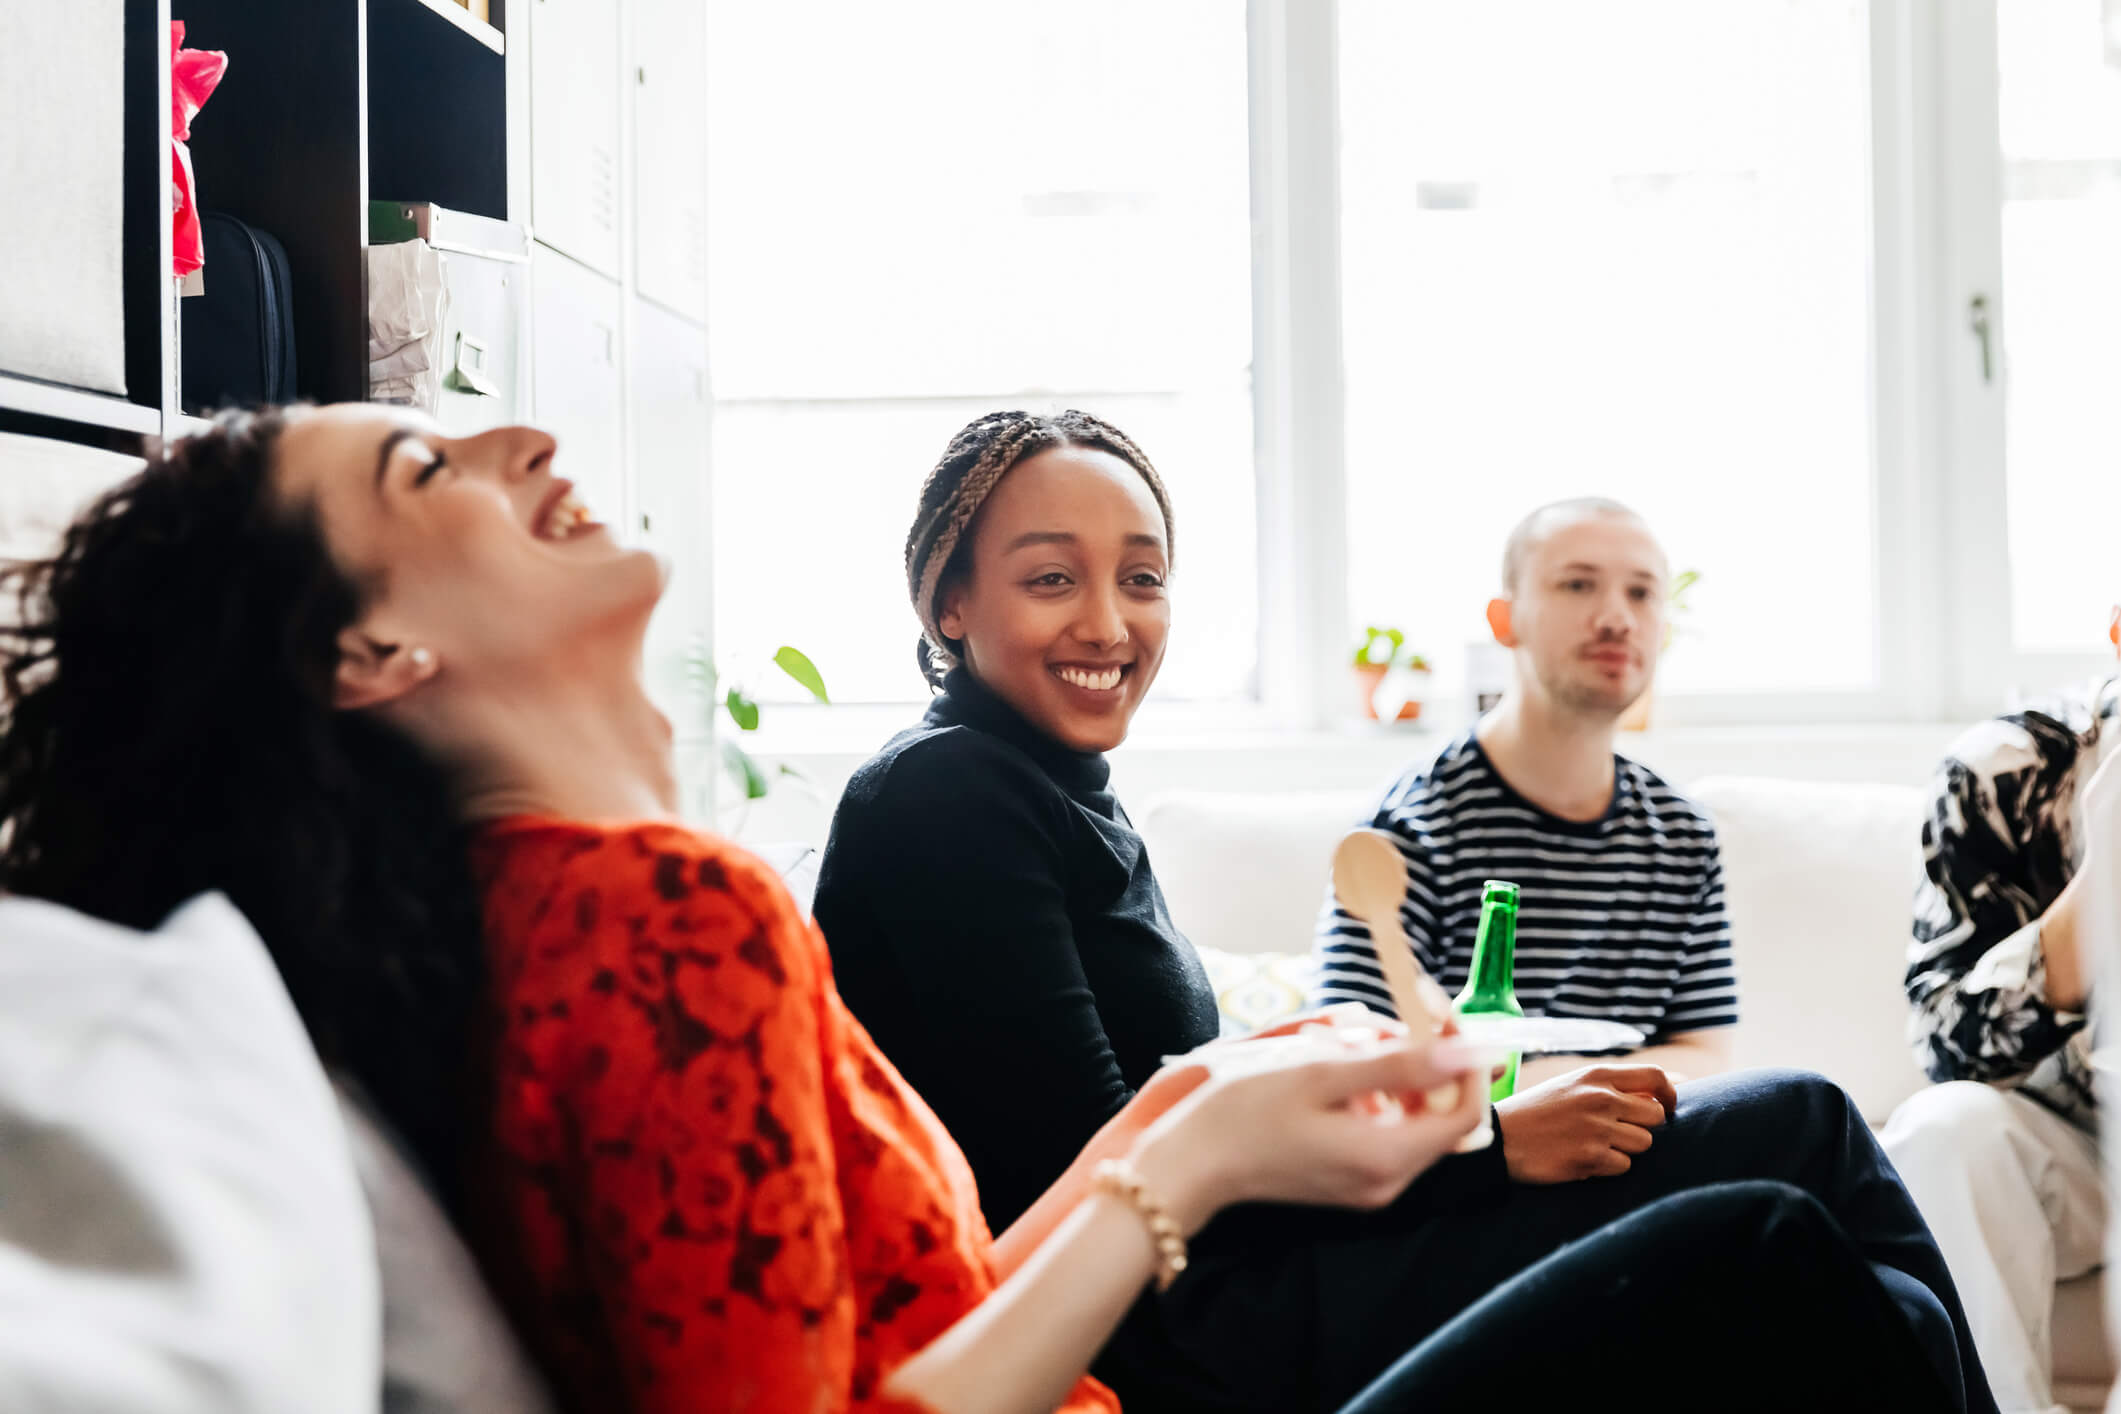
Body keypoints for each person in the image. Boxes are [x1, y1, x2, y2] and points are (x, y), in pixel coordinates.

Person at [0, 403, 1978, 1414]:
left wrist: (1219, 1105)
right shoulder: (667, 909)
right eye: (428, 461)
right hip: (1170, 1372)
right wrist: (1197, 1149)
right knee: (1782, 1245)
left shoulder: (552, 901)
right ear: (368, 649)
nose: (524, 438)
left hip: (1132, 1349)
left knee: (1812, 1209)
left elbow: (901, 1305)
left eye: (1143, 569)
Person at [813, 411, 1997, 1413]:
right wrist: (1486, 1149)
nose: (1110, 625)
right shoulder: (944, 799)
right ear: (948, 601)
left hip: (1238, 1280)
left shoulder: (1051, 790)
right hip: (1180, 1340)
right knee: (1789, 1187)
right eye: (1051, 578)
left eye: (1142, 577)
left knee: (1859, 1230)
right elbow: (1102, 1185)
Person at [1311, 497, 1738, 1100]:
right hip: (1485, 1153)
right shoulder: (1411, 829)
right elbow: (1355, 1064)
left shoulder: (1683, 835)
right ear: (1504, 620)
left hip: (1650, 1141)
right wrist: (1553, 1100)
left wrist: (1539, 1084)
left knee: (1800, 1100)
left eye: (1642, 593)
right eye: (1578, 585)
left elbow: (1707, 1054)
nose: (1617, 617)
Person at [1883, 662, 2121, 1414]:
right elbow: (1945, 1046)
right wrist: (2101, 878)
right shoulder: (2000, 774)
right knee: (1943, 1130)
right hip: (2067, 1142)